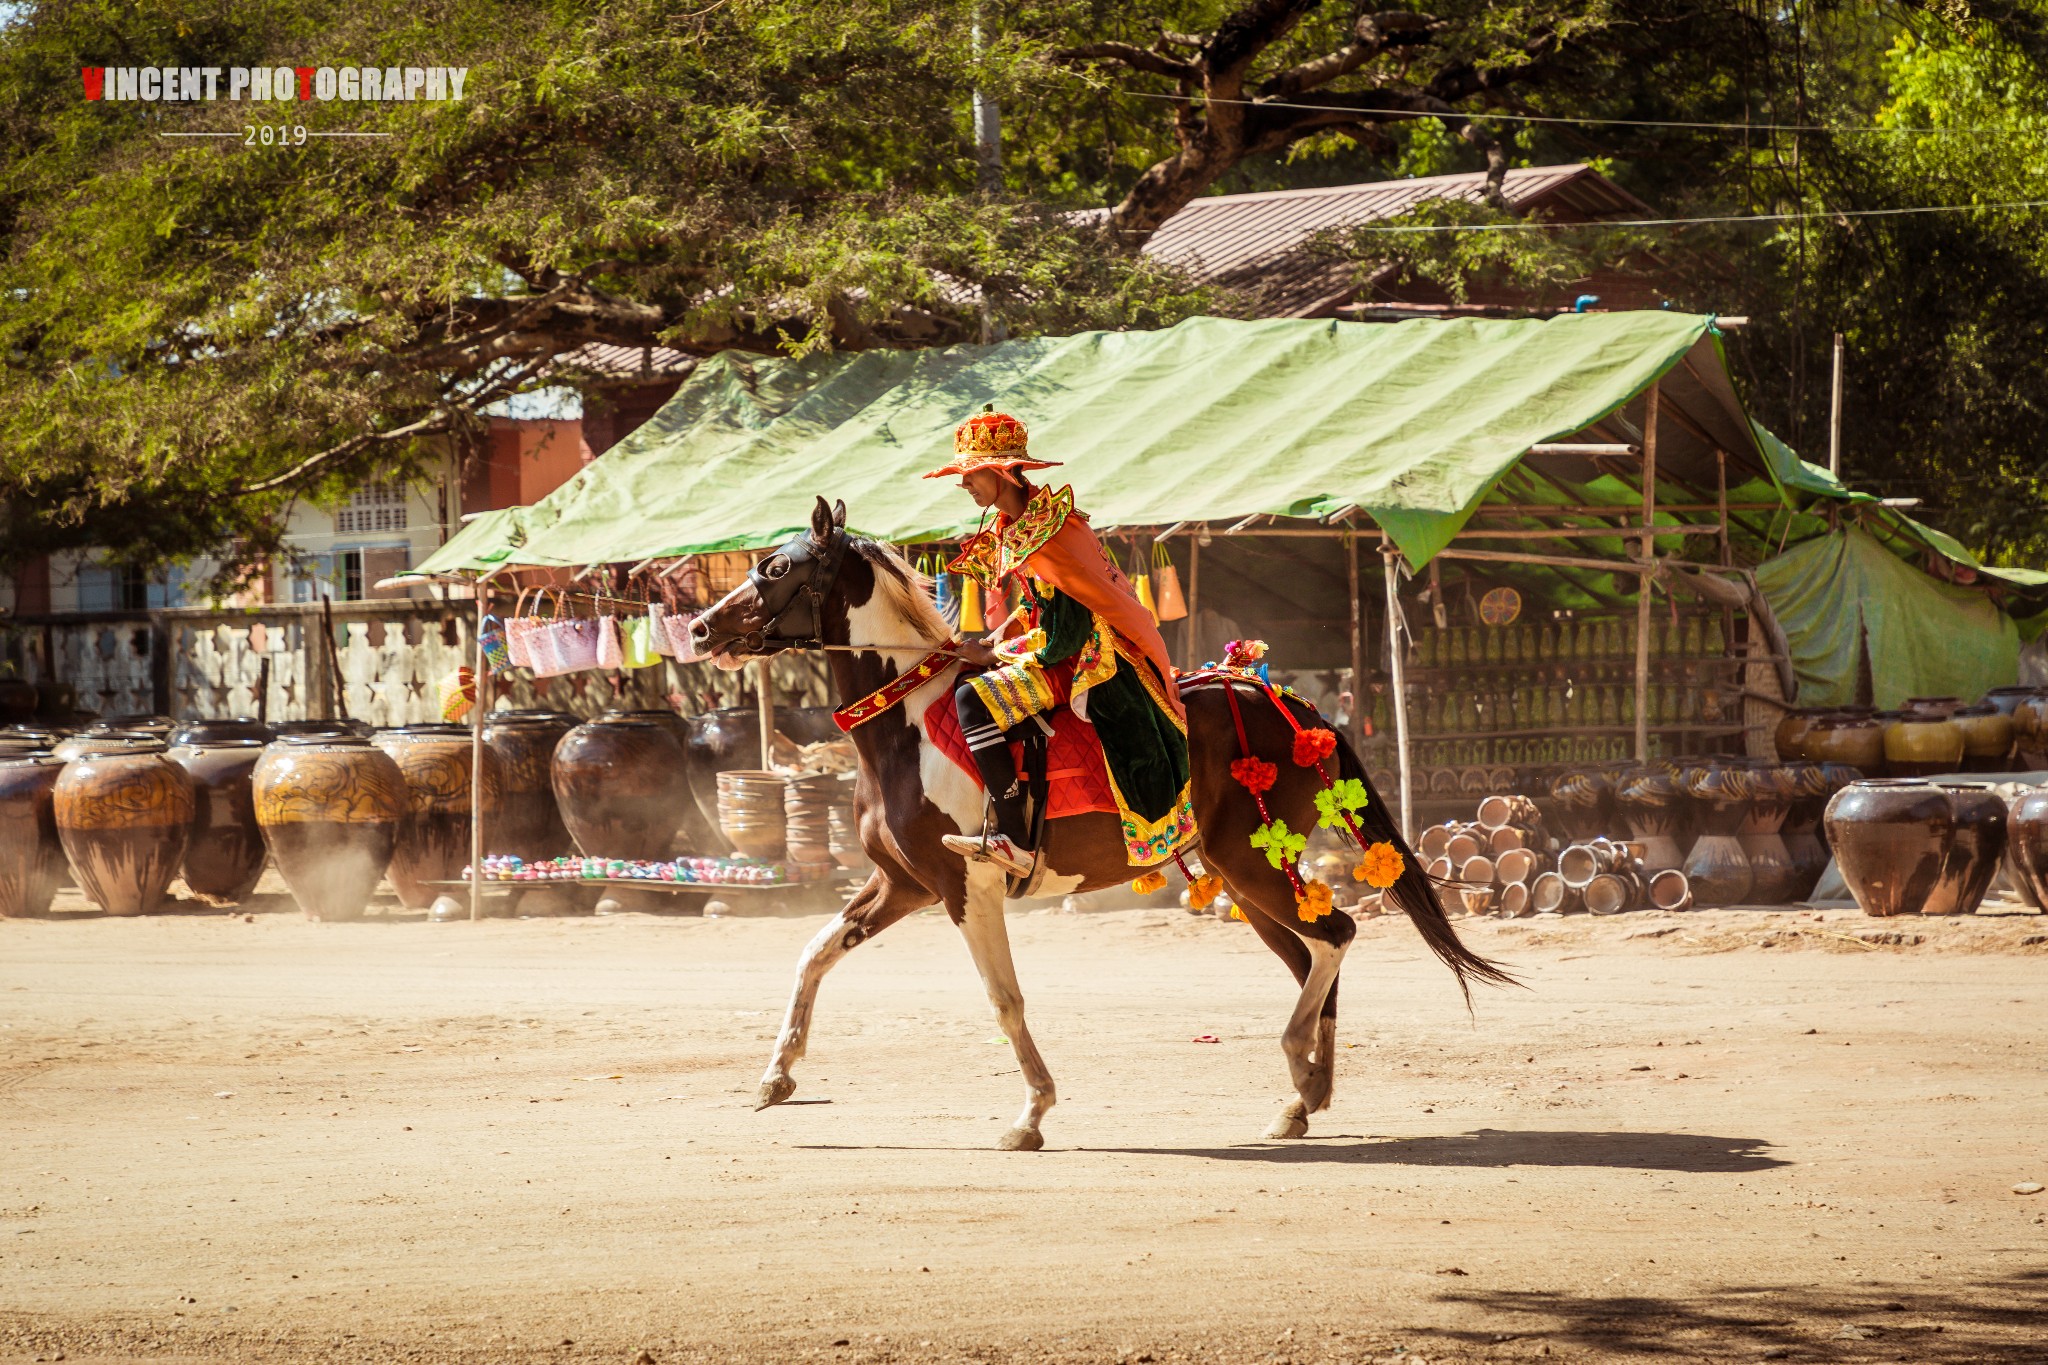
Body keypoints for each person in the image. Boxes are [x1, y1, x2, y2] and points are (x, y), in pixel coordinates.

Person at [927, 406, 1195, 878]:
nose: (963, 484)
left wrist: (995, 652)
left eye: (970, 475)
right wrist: (999, 635)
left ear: (1002, 472)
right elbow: (1040, 609)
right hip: (1062, 644)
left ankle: (1013, 836)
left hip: (1085, 659)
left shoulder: (1049, 533)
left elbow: (1064, 634)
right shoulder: (1018, 525)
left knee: (972, 699)